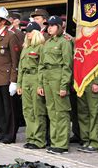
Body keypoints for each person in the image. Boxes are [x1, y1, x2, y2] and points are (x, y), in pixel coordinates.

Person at [38, 15, 73, 154]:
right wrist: (40, 84)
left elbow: (67, 65)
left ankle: (62, 144)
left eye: (52, 25)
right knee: (52, 112)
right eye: (48, 25)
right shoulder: (47, 43)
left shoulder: (64, 42)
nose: (49, 28)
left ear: (59, 27)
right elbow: (41, 65)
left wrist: (64, 85)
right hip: (47, 78)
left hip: (58, 78)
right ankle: (54, 141)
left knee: (61, 112)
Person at [0, 7, 20, 144]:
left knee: (9, 109)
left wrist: (14, 80)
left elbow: (15, 60)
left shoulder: (11, 36)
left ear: (2, 21)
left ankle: (10, 134)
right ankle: (1, 132)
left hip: (6, 78)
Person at [17, 22, 47, 149]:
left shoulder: (41, 47)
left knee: (37, 110)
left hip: (36, 77)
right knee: (27, 111)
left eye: (30, 31)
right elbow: (20, 67)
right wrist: (19, 84)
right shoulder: (26, 48)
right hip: (26, 79)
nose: (27, 34)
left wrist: (40, 84)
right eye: (26, 32)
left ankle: (39, 140)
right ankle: (30, 137)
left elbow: (42, 67)